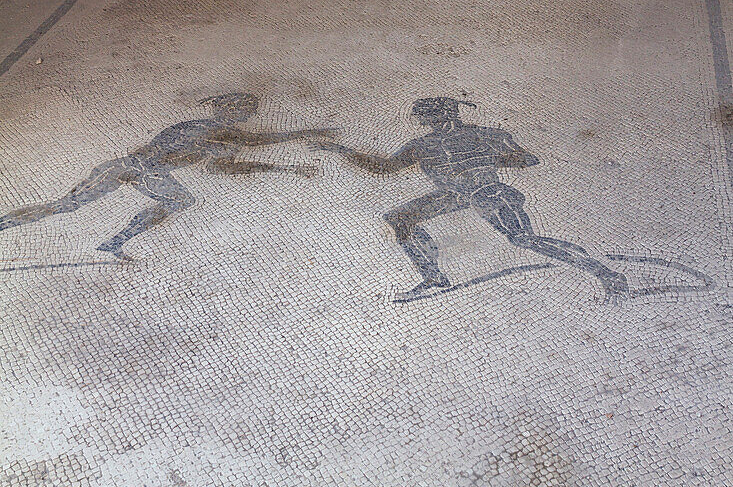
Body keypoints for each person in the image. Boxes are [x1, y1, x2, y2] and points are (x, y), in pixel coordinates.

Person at [316, 96, 628, 300]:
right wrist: (342, 150)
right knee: (399, 218)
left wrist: (484, 161)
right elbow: (382, 167)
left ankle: (605, 272)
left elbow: (526, 159)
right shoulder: (426, 144)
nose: (430, 125)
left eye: (430, 119)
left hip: (487, 192)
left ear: (444, 116)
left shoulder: (486, 135)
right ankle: (433, 276)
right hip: (453, 194)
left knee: (523, 239)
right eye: (427, 122)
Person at [0, 94, 331, 259]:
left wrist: (301, 137)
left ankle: (113, 243)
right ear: (228, 111)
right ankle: (113, 242)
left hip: (129, 164)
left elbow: (242, 150)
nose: (246, 116)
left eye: (248, 112)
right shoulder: (213, 132)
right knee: (69, 205)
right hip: (141, 169)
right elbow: (252, 148)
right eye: (243, 111)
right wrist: (292, 156)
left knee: (69, 205)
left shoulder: (200, 127)